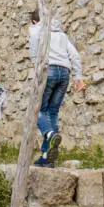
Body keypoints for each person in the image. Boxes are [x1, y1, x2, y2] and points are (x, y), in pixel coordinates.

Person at [29, 9, 85, 167]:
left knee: (37, 109)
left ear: (34, 21)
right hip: (64, 73)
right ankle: (47, 157)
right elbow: (74, 55)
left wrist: (35, 63)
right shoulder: (61, 35)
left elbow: (33, 43)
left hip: (49, 70)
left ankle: (49, 133)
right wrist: (78, 76)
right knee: (52, 112)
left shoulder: (36, 29)